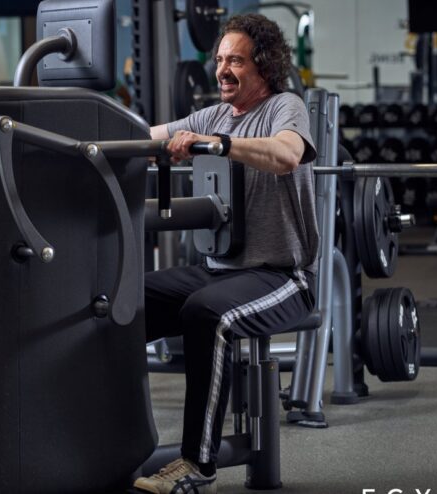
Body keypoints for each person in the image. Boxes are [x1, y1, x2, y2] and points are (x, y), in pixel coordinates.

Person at [133, 13, 319, 494]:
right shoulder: (213, 115)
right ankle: (117, 442)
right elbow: (147, 136)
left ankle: (198, 465)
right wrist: (89, 139)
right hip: (220, 271)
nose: (222, 70)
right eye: (219, 60)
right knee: (125, 302)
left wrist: (218, 144)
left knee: (206, 314)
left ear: (264, 64)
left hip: (283, 278)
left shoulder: (285, 107)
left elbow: (286, 154)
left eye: (235, 60)